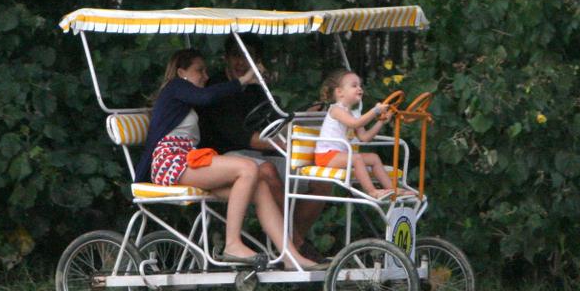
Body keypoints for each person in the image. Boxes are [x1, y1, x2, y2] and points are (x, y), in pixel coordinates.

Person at [135, 48, 320, 270]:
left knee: (260, 184)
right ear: (181, 72)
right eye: (199, 71)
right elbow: (208, 96)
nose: (205, 76)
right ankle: (232, 244)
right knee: (248, 168)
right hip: (170, 162)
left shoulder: (183, 97)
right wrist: (243, 80)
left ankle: (291, 256)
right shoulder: (176, 87)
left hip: (186, 160)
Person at [198, 35, 330, 262]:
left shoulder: (255, 87)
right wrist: (282, 144)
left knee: (322, 181)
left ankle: (291, 241)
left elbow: (274, 121)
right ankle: (297, 247)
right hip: (223, 157)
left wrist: (305, 118)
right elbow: (242, 137)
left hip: (258, 154)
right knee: (267, 169)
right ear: (226, 58)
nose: (241, 62)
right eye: (237, 56)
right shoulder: (217, 88)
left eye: (249, 57)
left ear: (256, 61)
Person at [315, 69, 409, 200]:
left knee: (374, 158)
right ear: (339, 92)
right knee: (356, 158)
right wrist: (375, 111)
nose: (359, 88)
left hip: (339, 155)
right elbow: (355, 124)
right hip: (326, 156)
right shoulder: (336, 109)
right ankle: (372, 192)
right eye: (354, 85)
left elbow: (364, 137)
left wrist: (381, 122)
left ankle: (392, 189)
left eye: (360, 85)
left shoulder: (353, 113)